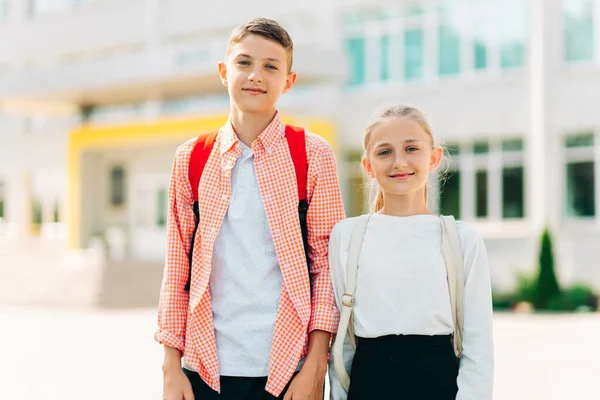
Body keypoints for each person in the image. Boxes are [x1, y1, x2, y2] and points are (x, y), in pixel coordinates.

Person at [156, 18, 345, 400]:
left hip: (288, 369)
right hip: (204, 369)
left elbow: (326, 266)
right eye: (244, 63)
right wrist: (170, 367)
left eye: (271, 66)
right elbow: (178, 265)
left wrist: (315, 366)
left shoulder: (312, 155)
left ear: (288, 81)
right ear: (224, 72)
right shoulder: (191, 158)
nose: (256, 75)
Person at [328, 104, 494, 399]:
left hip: (439, 386)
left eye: (411, 148)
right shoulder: (347, 236)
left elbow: (478, 346)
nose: (399, 162)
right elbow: (342, 342)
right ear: (368, 166)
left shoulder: (462, 239)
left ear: (434, 158)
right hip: (369, 385)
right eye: (384, 152)